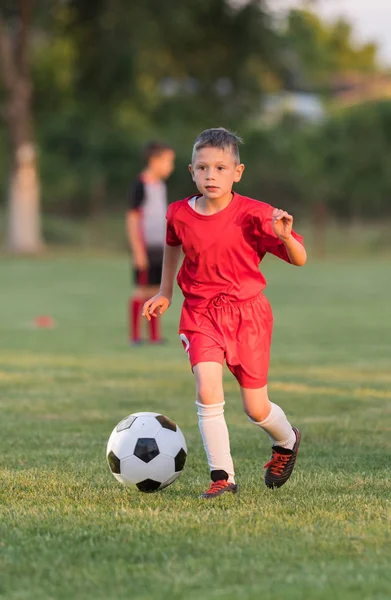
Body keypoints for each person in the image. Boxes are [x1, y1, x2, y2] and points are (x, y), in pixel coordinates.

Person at [142, 128, 307, 499]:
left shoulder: (256, 215)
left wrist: (285, 237)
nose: (211, 175)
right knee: (208, 388)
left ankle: (286, 440)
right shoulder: (179, 213)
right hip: (200, 313)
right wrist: (165, 292)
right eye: (202, 168)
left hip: (248, 316)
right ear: (191, 171)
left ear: (238, 172)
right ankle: (223, 477)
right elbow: (172, 244)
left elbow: (301, 259)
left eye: (220, 167)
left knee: (256, 407)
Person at [127, 141, 175, 344]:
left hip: (160, 247)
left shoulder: (161, 186)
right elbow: (132, 218)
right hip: (145, 247)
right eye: (167, 161)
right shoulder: (140, 185)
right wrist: (138, 250)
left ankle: (154, 337)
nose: (170, 167)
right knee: (142, 291)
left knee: (157, 291)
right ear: (154, 161)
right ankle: (136, 336)